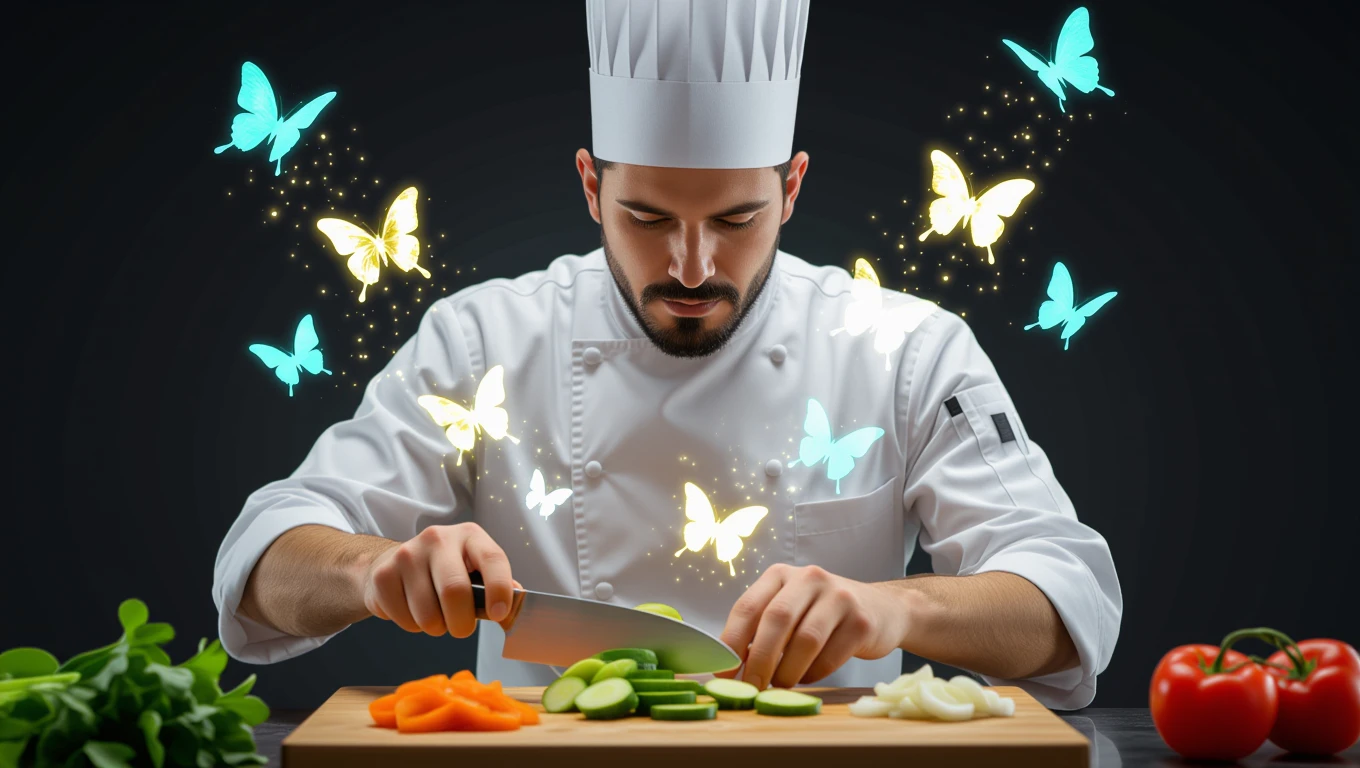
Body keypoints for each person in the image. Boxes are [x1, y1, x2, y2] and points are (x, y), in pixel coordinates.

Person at [213, 0, 1121, 709]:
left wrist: (900, 607)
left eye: (736, 220)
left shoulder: (907, 350)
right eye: (646, 218)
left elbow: (1067, 595)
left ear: (793, 188)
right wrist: (372, 570)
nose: (692, 265)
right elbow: (262, 562)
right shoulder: (482, 340)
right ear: (589, 185)